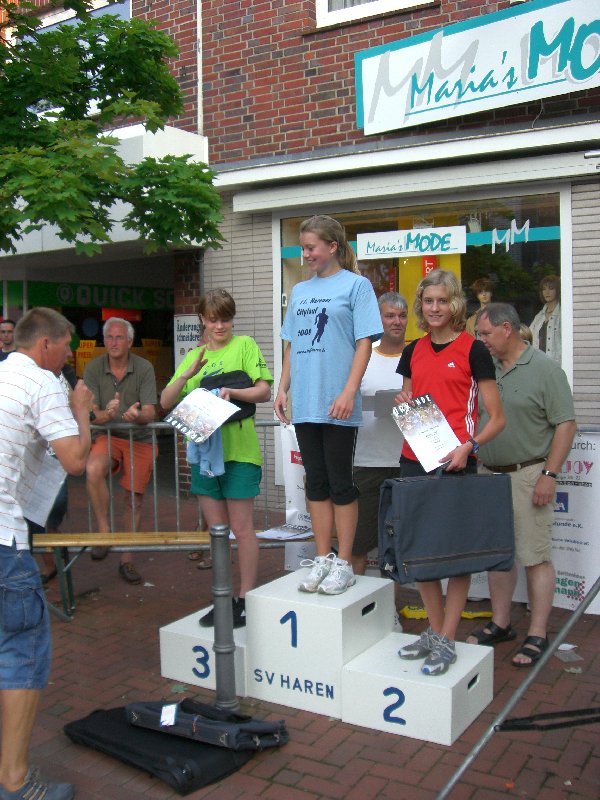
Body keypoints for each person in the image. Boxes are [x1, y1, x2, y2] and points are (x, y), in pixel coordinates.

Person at [0, 307, 93, 800]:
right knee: (22, 651)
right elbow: (75, 459)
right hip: (4, 540)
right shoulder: (42, 383)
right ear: (44, 345)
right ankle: (14, 781)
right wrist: (81, 409)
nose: (69, 356)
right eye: (65, 347)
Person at [394, 269, 504, 676]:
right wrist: (403, 400)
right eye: (428, 301)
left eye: (442, 301)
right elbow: (410, 398)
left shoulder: (474, 350)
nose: (435, 308)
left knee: (455, 555)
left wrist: (469, 446)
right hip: (414, 457)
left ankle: (448, 636)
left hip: (457, 461)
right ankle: (436, 632)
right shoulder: (413, 350)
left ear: (455, 304)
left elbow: (497, 417)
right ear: (420, 305)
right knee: (422, 551)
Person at [274, 215, 383, 596]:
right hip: (306, 401)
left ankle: (344, 562)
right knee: (316, 483)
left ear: (333, 246)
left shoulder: (357, 286)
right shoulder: (300, 291)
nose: (305, 255)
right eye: (302, 248)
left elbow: (365, 342)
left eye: (311, 248)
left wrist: (349, 390)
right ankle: (322, 557)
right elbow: (292, 344)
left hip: (338, 403)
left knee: (341, 483)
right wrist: (283, 388)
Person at [467, 303, 576, 667]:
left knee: (535, 556)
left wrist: (550, 474)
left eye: (485, 333)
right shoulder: (485, 368)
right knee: (499, 555)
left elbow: (565, 425)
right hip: (488, 474)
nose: (481, 340)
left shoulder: (545, 369)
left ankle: (538, 633)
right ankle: (501, 623)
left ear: (507, 329)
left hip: (528, 474)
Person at [160, 289, 273, 628]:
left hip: (240, 453)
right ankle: (223, 597)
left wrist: (231, 392)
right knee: (218, 531)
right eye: (213, 320)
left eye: (225, 319)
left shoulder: (245, 345)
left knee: (242, 528)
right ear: (202, 320)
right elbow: (165, 401)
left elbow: (263, 390)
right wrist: (187, 373)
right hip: (205, 457)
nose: (220, 326)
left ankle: (245, 598)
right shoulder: (195, 355)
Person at [84, 317, 158, 585]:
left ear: (129, 341)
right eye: (109, 337)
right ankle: (104, 531)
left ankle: (126, 559)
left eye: (119, 337)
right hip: (109, 434)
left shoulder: (144, 367)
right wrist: (106, 414)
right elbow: (91, 413)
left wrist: (137, 416)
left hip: (140, 437)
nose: (114, 342)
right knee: (93, 468)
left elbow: (150, 411)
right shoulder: (93, 368)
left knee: (133, 500)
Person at [351, 291, 408, 576]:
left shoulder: (417, 355)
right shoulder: (362, 356)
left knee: (400, 544)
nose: (397, 321)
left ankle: (392, 601)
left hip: (406, 460)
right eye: (390, 316)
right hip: (366, 460)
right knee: (358, 542)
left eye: (402, 316)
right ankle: (354, 597)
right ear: (378, 319)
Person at [28, 364, 78, 584]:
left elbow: (77, 408)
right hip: (29, 454)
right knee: (32, 517)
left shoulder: (63, 374)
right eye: (64, 347)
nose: (68, 352)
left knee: (52, 512)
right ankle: (49, 565)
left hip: (55, 453)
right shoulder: (25, 373)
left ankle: (56, 560)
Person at [529, 274, 561, 365]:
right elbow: (529, 337)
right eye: (544, 289)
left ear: (557, 290)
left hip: (556, 365)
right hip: (539, 365)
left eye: (551, 288)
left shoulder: (562, 315)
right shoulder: (539, 316)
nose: (547, 292)